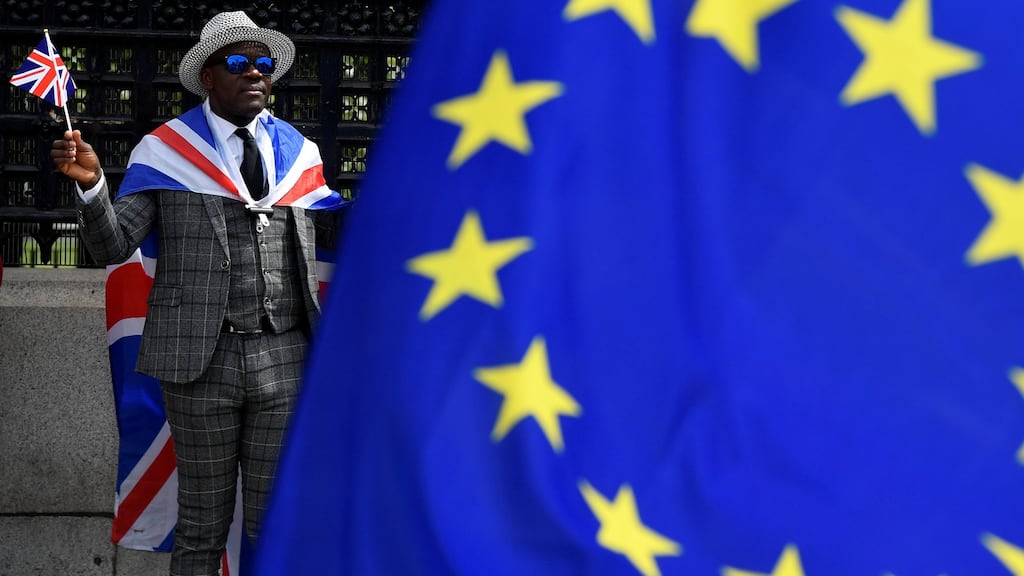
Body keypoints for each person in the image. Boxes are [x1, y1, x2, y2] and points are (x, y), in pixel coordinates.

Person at [51, 11, 344, 575]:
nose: (254, 73)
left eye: (263, 64)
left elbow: (342, 232)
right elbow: (114, 247)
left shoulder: (298, 154)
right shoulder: (166, 151)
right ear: (207, 77)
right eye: (238, 62)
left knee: (275, 521)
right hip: (199, 364)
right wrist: (91, 187)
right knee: (202, 526)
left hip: (285, 357)